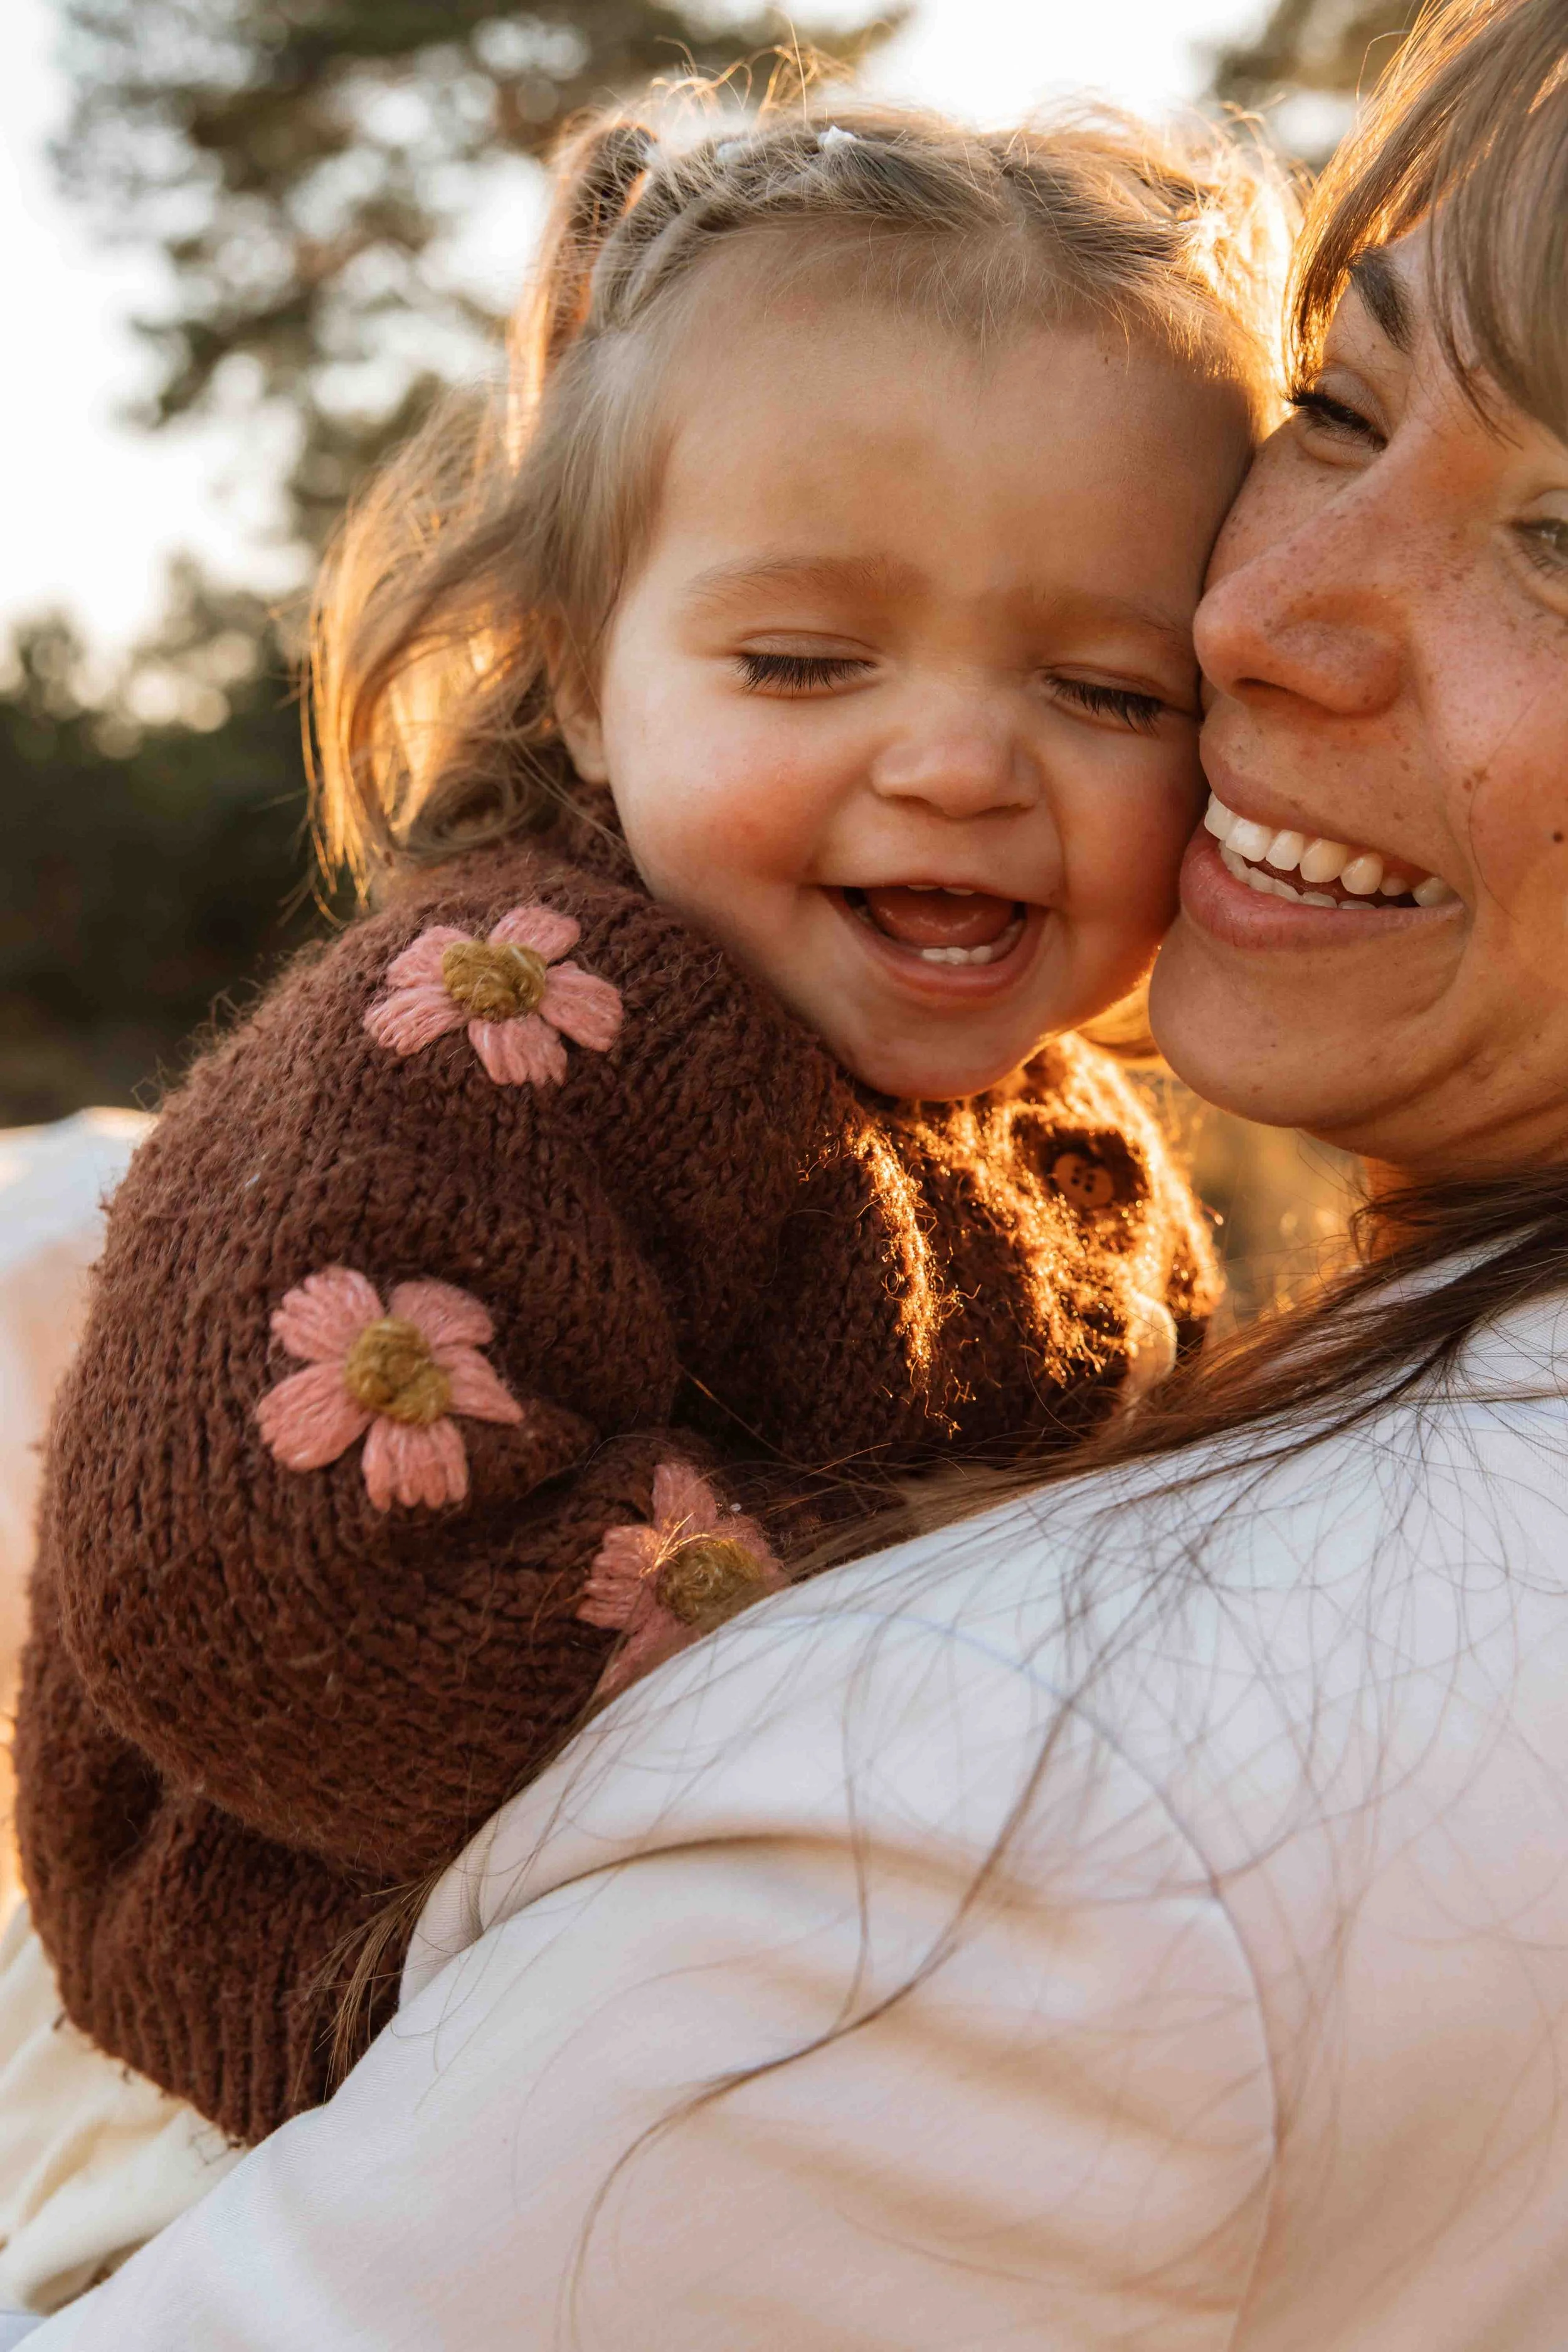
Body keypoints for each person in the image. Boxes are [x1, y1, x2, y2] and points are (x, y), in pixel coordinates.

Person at [20, 0, 1568, 2340]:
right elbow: (259, 1586)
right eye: (804, 656)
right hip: (259, 2047)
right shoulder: (495, 1029)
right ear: (570, 673)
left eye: (1105, 685)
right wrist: (852, 1584)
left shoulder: (1054, 1209)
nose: (953, 762)